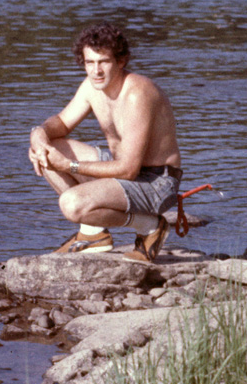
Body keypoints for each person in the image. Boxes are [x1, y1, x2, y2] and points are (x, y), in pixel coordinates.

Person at [28, 23, 182, 262]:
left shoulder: (137, 93)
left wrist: (69, 166)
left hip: (156, 181)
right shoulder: (92, 86)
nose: (96, 71)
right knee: (48, 150)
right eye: (90, 63)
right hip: (125, 173)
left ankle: (151, 226)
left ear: (121, 61)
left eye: (104, 62)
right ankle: (93, 233)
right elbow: (61, 122)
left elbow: (129, 169)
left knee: (71, 204)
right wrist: (38, 134)